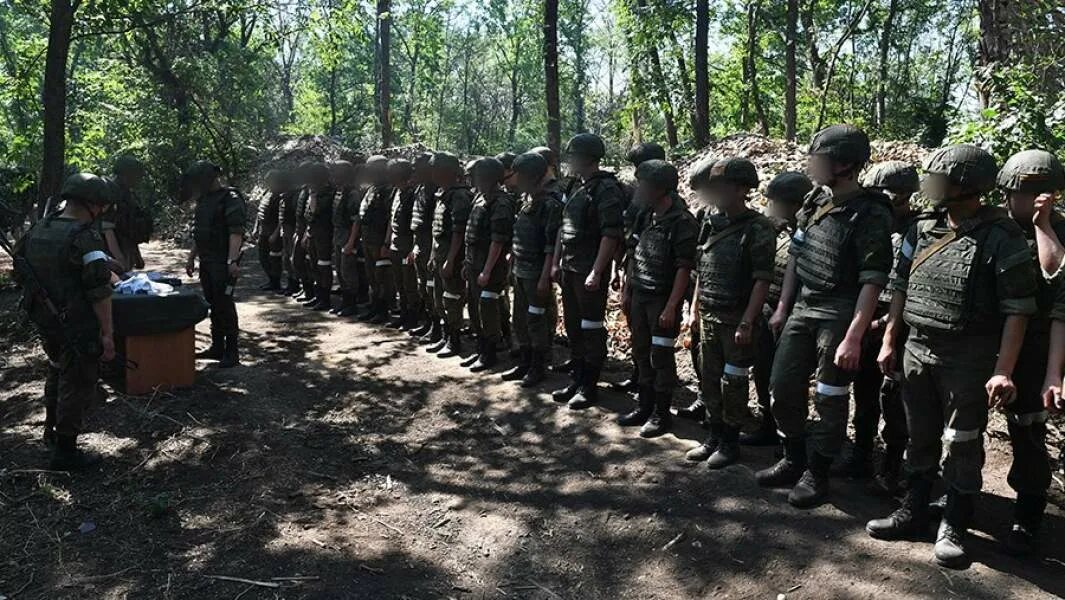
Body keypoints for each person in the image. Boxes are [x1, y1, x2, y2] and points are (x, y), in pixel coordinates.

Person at [865, 145, 1037, 570]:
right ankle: (915, 508)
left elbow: (1019, 309)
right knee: (918, 433)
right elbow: (900, 286)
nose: (929, 186)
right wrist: (890, 340)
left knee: (961, 442)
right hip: (916, 346)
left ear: (965, 186)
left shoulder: (1002, 237)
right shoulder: (921, 229)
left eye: (938, 179)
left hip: (969, 355)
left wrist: (1003, 370)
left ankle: (956, 523)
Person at [756, 124, 893, 509]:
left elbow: (873, 280)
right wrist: (783, 307)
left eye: (820, 159)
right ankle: (792, 456)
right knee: (781, 387)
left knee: (829, 396)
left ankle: (817, 471)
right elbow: (797, 257)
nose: (812, 166)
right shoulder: (815, 199)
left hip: (840, 311)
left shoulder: (871, 213)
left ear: (846, 164)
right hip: (803, 306)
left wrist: (853, 335)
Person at [14, 173, 115, 470]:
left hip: (46, 320)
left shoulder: (37, 230)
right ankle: (66, 451)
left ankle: (51, 431)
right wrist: (108, 334)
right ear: (93, 204)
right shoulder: (85, 237)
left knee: (57, 370)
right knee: (78, 380)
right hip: (77, 322)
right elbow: (99, 291)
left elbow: (20, 272)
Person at [680, 158, 774, 465]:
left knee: (733, 382)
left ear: (742, 190)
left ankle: (730, 442)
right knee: (708, 377)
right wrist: (694, 310)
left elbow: (762, 279)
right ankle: (714, 435)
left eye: (722, 186)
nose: (715, 192)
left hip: (736, 320)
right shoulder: (710, 220)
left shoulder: (759, 228)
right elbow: (702, 269)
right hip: (708, 314)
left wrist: (747, 321)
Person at [833, 161, 919, 492]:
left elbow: (917, 288)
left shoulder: (918, 231)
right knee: (864, 394)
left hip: (899, 326)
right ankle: (861, 455)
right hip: (863, 322)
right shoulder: (864, 221)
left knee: (896, 401)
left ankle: (894, 467)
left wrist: (886, 324)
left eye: (894, 195)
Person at [996, 149, 1065, 556]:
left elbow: (1054, 270)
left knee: (1027, 434)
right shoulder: (996, 226)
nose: (1013, 201)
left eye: (1023, 194)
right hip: (992, 340)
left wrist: (1042, 224)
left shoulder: (1057, 230)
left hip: (1037, 349)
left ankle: (1028, 513)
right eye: (1011, 193)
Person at [617, 159, 698, 437]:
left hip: (662, 300)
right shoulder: (645, 215)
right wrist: (627, 291)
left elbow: (684, 267)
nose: (639, 190)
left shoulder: (683, 222)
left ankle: (660, 415)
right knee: (640, 351)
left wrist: (672, 306)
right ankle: (645, 406)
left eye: (645, 185)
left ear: (661, 189)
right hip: (639, 294)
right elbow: (633, 255)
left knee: (660, 357)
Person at [551, 133, 624, 409]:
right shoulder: (574, 186)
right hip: (570, 268)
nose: (570, 161)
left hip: (588, 271)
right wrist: (557, 262)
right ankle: (578, 378)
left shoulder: (605, 190)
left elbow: (611, 234)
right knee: (573, 326)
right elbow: (562, 227)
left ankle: (589, 386)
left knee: (590, 328)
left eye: (574, 156)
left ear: (588, 158)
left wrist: (597, 271)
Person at [744, 171, 812, 446]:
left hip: (796, 315)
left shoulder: (810, 233)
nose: (771, 207)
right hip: (767, 310)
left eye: (777, 202)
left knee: (787, 380)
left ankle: (791, 434)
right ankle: (767, 425)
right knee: (762, 370)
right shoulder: (771, 229)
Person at [611, 142, 668, 394]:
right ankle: (640, 375)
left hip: (656, 278)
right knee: (638, 331)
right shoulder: (636, 194)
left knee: (656, 339)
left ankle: (656, 386)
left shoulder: (664, 198)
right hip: (634, 266)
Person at [502, 152, 562, 387]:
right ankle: (525, 361)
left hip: (537, 272)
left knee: (536, 320)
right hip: (521, 270)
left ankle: (538, 366)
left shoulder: (549, 204)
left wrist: (545, 277)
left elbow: (550, 244)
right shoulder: (529, 201)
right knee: (520, 319)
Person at [183, 161, 248, 368]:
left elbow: (236, 232)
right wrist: (192, 256)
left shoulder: (230, 199)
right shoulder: (204, 200)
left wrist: (231, 261)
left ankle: (232, 351)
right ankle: (217, 346)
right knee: (213, 302)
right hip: (207, 259)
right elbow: (200, 232)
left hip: (222, 261)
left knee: (225, 304)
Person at [463, 157, 515, 371]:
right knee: (475, 308)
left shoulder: (501, 202)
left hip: (490, 267)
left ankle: (490, 352)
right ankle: (481, 348)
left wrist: (486, 270)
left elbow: (498, 240)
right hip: (475, 262)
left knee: (488, 309)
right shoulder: (480, 198)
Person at [428, 152, 474, 357]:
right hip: (439, 254)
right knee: (439, 300)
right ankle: (446, 335)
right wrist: (432, 255)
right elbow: (435, 229)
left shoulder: (460, 196)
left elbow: (459, 231)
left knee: (452, 299)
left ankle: (454, 340)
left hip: (451, 257)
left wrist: (450, 260)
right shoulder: (442, 194)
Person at [352, 155, 395, 323]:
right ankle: (375, 306)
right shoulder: (371, 189)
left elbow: (392, 219)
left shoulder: (389, 191)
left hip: (380, 241)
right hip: (368, 239)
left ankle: (383, 310)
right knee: (372, 277)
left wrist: (386, 242)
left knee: (382, 277)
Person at [409, 152, 442, 341]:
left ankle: (437, 326)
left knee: (431, 287)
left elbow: (435, 225)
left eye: (418, 167)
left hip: (431, 245)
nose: (414, 171)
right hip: (419, 243)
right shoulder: (420, 189)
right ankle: (429, 322)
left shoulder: (436, 191)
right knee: (423, 285)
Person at [386, 158, 420, 329]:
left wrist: (413, 248)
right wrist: (387, 243)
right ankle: (404, 313)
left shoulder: (412, 195)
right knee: (399, 282)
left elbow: (415, 226)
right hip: (395, 247)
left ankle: (413, 316)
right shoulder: (396, 193)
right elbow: (392, 222)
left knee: (409, 283)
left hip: (407, 249)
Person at [102, 155, 150, 272]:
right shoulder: (110, 191)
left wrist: (137, 255)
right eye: (137, 175)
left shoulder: (127, 193)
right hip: (111, 253)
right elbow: (106, 227)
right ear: (126, 174)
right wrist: (120, 259)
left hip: (125, 247)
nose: (139, 179)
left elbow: (130, 226)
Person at [332, 159, 364, 316]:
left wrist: (351, 242)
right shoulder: (341, 191)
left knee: (348, 272)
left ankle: (351, 304)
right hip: (339, 236)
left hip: (347, 237)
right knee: (339, 270)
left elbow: (355, 221)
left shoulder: (352, 194)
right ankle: (345, 303)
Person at [303, 162, 337, 311]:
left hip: (324, 235)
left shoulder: (328, 193)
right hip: (313, 234)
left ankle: (325, 298)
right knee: (313, 265)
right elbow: (308, 215)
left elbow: (316, 211)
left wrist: (313, 197)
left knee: (323, 266)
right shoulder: (313, 193)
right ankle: (318, 296)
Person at [256, 169, 288, 292]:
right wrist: (256, 229)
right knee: (263, 257)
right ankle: (270, 280)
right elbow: (260, 213)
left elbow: (282, 217)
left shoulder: (280, 196)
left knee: (275, 258)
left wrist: (275, 233)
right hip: (263, 230)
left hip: (274, 231)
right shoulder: (267, 193)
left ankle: (276, 282)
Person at [279, 162, 305, 296]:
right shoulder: (286, 195)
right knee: (287, 258)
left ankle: (297, 284)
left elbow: (299, 215)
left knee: (294, 258)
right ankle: (291, 283)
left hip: (293, 229)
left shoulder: (296, 194)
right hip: (287, 229)